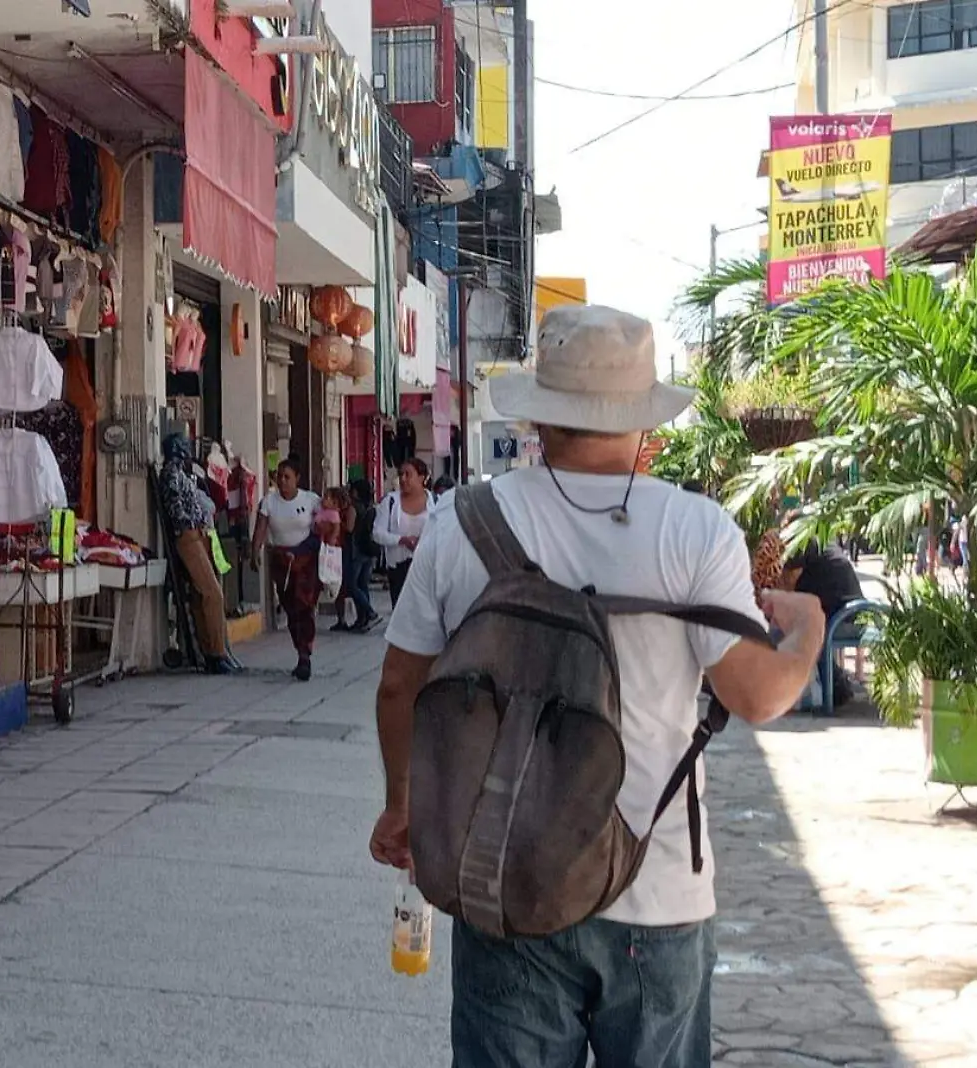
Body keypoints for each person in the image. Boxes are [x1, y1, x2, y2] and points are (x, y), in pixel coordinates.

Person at [369, 304, 825, 1066]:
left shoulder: (464, 522)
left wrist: (403, 806)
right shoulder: (695, 530)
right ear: (643, 422)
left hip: (504, 880)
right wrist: (807, 629)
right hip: (659, 892)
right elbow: (759, 695)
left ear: (541, 419)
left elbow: (398, 685)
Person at [156, 434, 233, 672]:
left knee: (203, 596)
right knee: (212, 593)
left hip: (198, 533)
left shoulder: (185, 472)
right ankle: (216, 651)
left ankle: (211, 651)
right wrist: (191, 525)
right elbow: (176, 509)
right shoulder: (170, 473)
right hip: (188, 535)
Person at [779, 525, 867, 707]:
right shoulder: (824, 542)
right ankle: (836, 686)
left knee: (805, 633)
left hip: (842, 619)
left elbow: (788, 580)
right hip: (857, 615)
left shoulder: (803, 543)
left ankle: (832, 691)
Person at [251, 455, 321, 681]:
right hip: (281, 560)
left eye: (287, 477)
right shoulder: (269, 502)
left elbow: (323, 529)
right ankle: (299, 648)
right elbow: (261, 528)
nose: (282, 481)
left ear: (297, 479)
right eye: (279, 476)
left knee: (305, 604)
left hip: (305, 561)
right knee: (290, 607)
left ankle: (305, 655)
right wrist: (255, 552)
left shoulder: (311, 500)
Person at [373, 457, 433, 607]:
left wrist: (423, 541)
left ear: (422, 477)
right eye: (401, 474)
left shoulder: (436, 503)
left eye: (408, 474)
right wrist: (402, 540)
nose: (403, 479)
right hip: (398, 569)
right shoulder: (390, 502)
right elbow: (377, 533)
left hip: (428, 568)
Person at [337, 478, 380, 632]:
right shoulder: (371, 507)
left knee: (351, 584)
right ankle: (362, 620)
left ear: (355, 491)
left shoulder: (353, 508)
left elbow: (349, 528)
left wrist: (337, 521)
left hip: (355, 551)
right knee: (363, 585)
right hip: (368, 550)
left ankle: (369, 611)